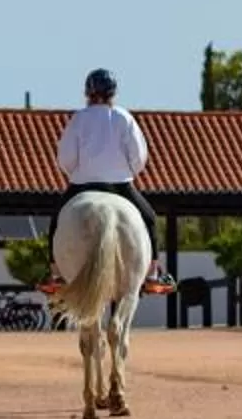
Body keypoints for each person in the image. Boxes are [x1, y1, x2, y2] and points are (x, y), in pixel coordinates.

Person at [42, 69, 175, 292]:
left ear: (87, 93)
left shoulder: (78, 118)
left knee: (56, 222)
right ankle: (153, 275)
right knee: (150, 219)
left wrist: (77, 172)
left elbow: (65, 158)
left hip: (82, 185)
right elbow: (139, 157)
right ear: (113, 93)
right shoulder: (124, 117)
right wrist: (127, 170)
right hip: (120, 185)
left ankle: (55, 274)